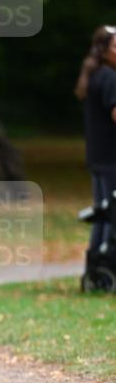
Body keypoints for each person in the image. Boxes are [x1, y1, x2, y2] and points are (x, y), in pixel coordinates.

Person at [74, 25, 116, 256]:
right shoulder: (110, 77)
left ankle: (96, 263)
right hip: (111, 156)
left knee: (103, 212)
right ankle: (105, 261)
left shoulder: (96, 75)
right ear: (104, 51)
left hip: (98, 156)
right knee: (111, 214)